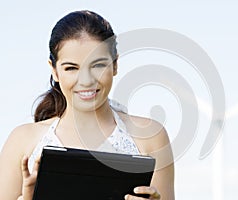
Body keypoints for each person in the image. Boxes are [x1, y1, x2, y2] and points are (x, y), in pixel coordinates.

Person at [0, 10, 175, 200]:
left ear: (115, 65)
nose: (86, 80)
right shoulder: (22, 141)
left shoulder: (150, 136)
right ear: (54, 71)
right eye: (71, 68)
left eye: (98, 65)